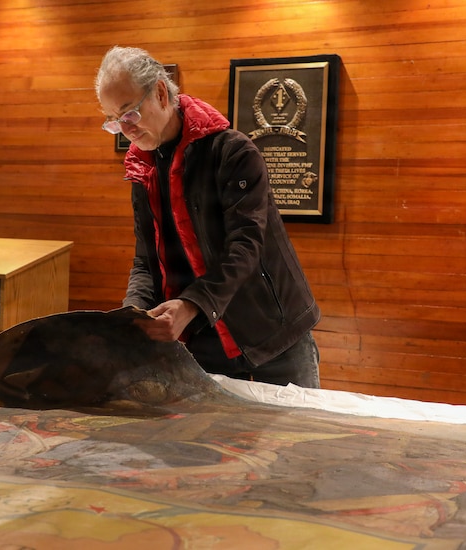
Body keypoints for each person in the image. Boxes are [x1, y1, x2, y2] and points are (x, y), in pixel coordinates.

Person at [94, 46, 321, 388]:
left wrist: (188, 305)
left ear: (159, 93)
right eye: (114, 121)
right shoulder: (144, 169)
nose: (125, 129)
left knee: (296, 441)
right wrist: (133, 313)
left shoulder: (233, 152)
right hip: (203, 341)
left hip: (274, 338)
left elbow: (245, 248)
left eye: (129, 114)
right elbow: (146, 259)